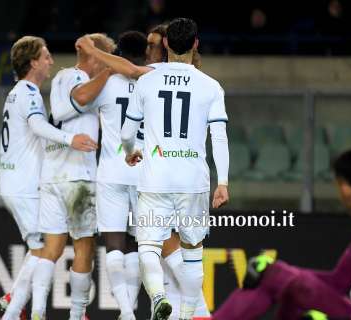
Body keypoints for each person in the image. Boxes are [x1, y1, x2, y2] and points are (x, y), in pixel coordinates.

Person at [76, 22, 210, 319]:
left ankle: (195, 309)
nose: (148, 49)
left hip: (155, 174)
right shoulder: (181, 79)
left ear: (166, 49)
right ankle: (186, 309)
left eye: (153, 44)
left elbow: (82, 98)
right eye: (147, 44)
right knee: (161, 248)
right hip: (166, 173)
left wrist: (95, 54)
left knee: (163, 247)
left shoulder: (154, 76)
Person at [213, 148, 351, 320]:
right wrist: (281, 272)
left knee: (280, 278)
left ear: (345, 188)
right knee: (276, 277)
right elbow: (337, 282)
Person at [120, 17, 230, 320]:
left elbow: (127, 134)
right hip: (192, 181)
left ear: (166, 43)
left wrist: (131, 153)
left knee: (149, 245)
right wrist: (223, 182)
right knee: (192, 252)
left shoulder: (147, 81)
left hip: (155, 179)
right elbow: (218, 136)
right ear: (195, 44)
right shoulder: (210, 86)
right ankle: (185, 316)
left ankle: (157, 296)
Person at [0, 35, 98, 320]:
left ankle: (16, 301)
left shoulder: (19, 92)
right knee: (44, 249)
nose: (51, 61)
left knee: (43, 247)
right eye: (46, 56)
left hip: (13, 181)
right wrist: (70, 139)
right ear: (33, 62)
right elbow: (37, 125)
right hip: (22, 183)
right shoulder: (28, 92)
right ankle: (20, 309)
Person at [28, 33, 116, 320]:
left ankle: (39, 312)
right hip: (77, 176)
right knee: (84, 246)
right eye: (104, 57)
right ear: (95, 56)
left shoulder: (63, 79)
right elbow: (81, 98)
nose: (107, 63)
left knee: (51, 248)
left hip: (53, 175)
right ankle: (77, 315)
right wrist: (110, 70)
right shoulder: (75, 78)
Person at [90, 30, 148, 320]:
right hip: (143, 173)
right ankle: (131, 309)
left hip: (111, 171)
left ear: (118, 53)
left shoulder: (105, 83)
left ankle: (126, 311)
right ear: (145, 54)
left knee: (114, 243)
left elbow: (78, 103)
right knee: (138, 243)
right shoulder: (151, 81)